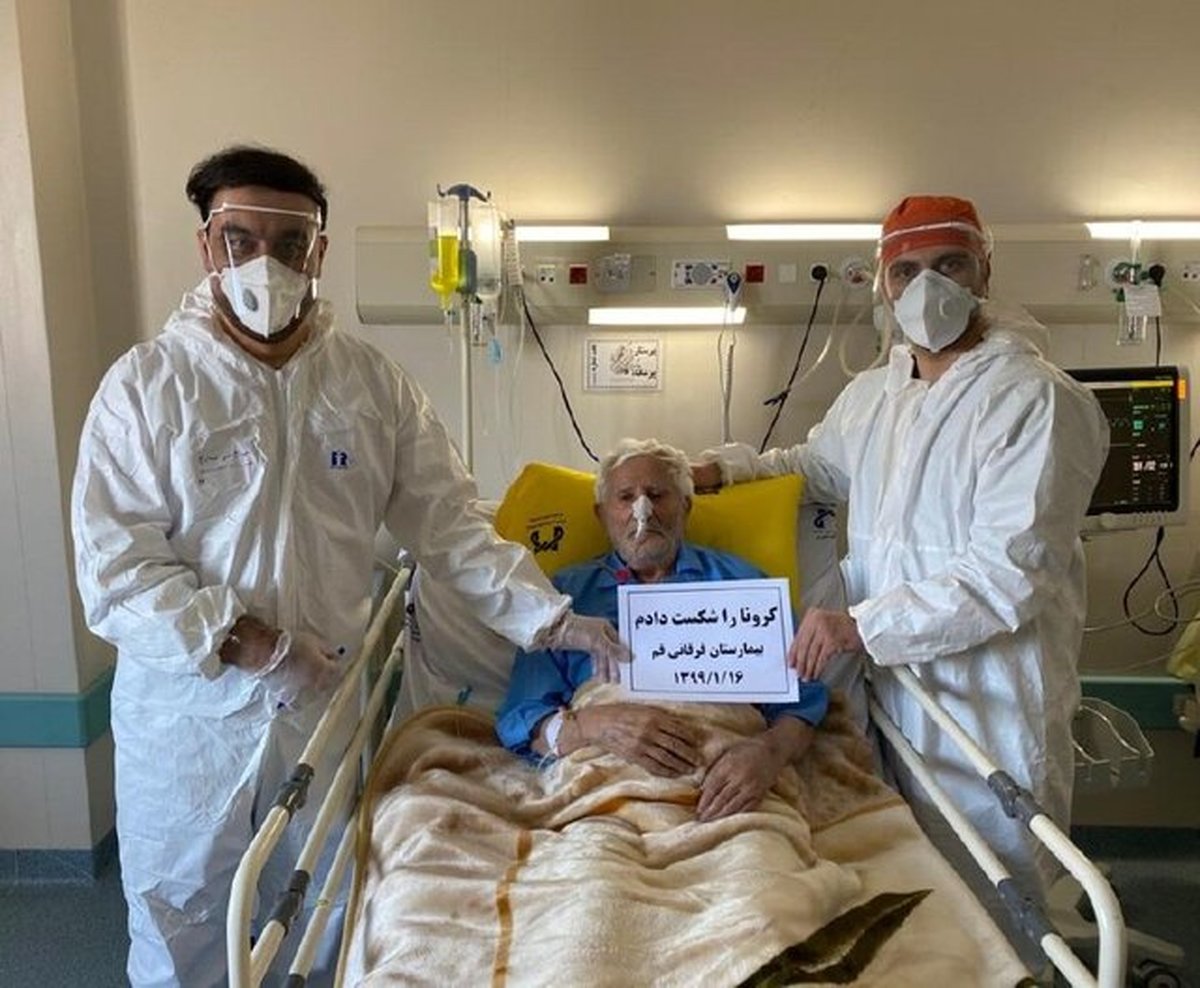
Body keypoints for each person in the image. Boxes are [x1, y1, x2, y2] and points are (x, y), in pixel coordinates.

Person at [70, 145, 627, 988]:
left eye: (289, 242)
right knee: (180, 919)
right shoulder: (147, 390)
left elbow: (451, 526)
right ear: (206, 246)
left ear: (318, 252)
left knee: (322, 908)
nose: (265, 262)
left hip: (320, 706)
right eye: (240, 239)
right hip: (188, 719)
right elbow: (117, 571)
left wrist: (552, 620)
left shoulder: (370, 387)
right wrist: (251, 644)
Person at [691, 195, 1109, 909]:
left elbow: (1009, 576)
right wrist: (715, 472)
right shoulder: (874, 396)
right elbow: (814, 467)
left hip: (990, 703)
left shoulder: (1032, 400)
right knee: (908, 883)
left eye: (949, 264)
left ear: (985, 270)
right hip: (895, 691)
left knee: (997, 895)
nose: (926, 287)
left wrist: (861, 625)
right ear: (881, 284)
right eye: (906, 270)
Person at [496, 438, 829, 821]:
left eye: (657, 494)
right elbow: (522, 718)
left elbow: (803, 701)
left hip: (725, 783)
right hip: (604, 784)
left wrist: (768, 753)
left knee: (755, 856)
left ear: (685, 507)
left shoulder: (743, 584)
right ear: (601, 515)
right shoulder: (564, 599)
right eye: (626, 497)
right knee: (596, 856)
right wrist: (593, 725)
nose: (644, 509)